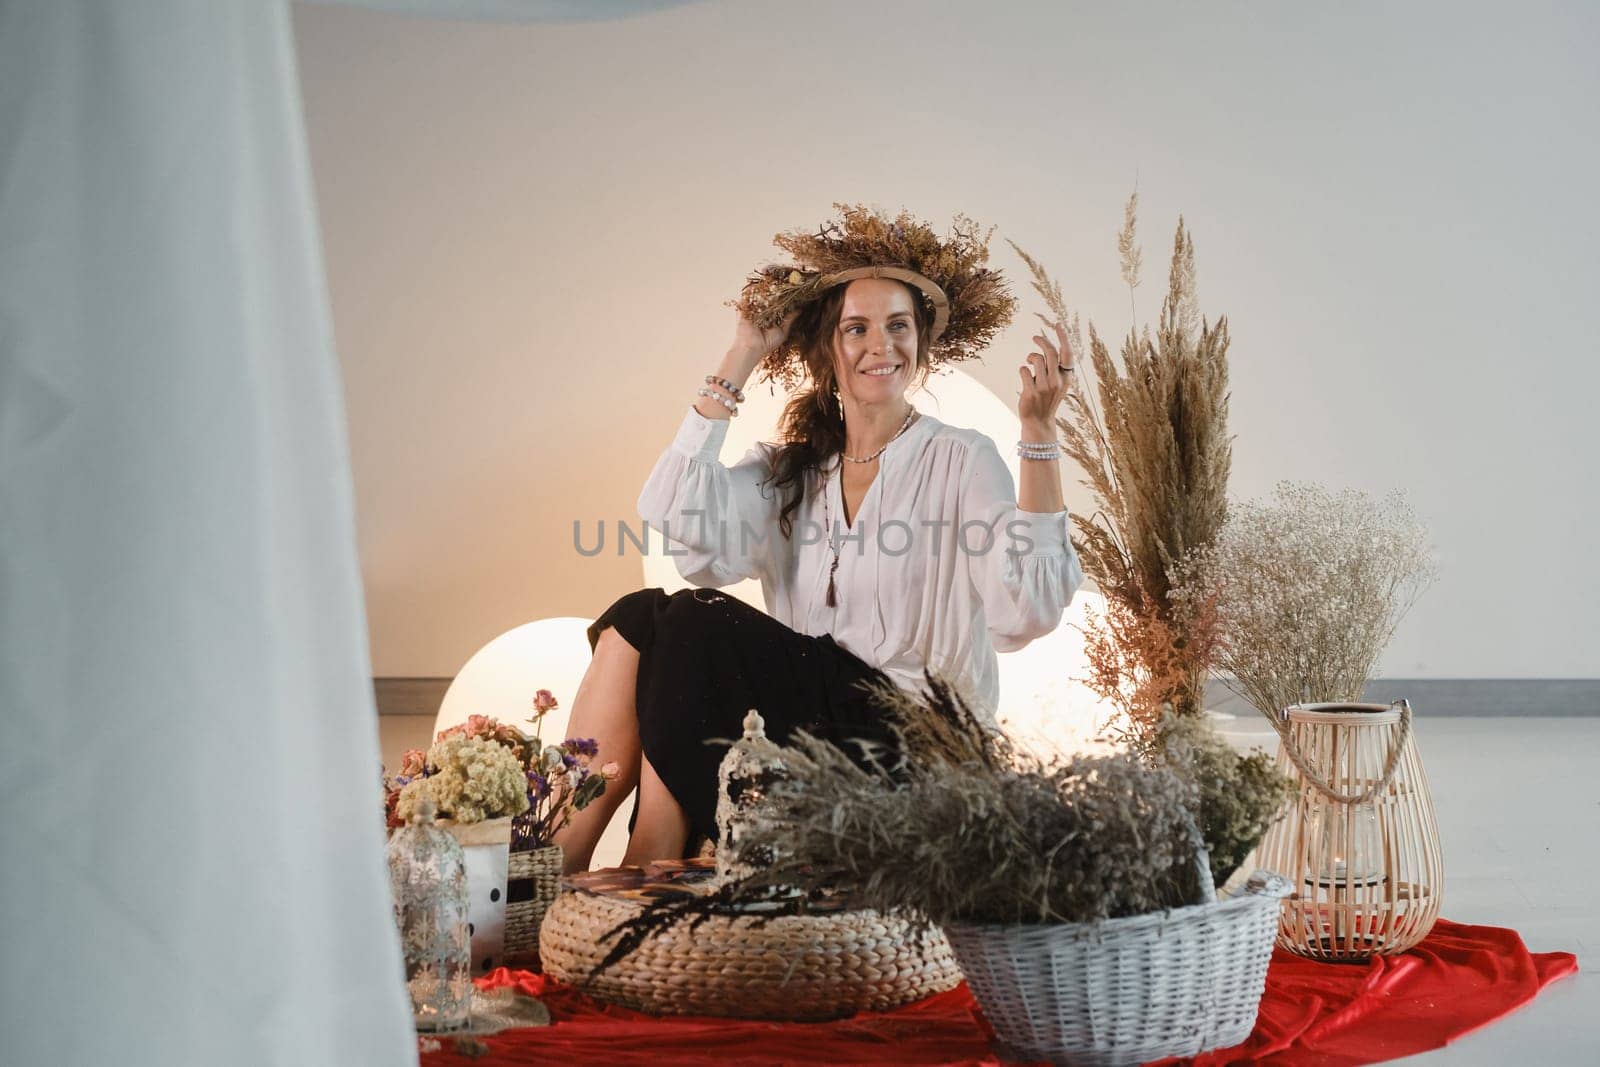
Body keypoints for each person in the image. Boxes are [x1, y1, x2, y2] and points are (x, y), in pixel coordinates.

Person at [553, 208, 1084, 873]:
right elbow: (677, 513)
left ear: (922, 343)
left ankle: (651, 850)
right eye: (856, 328)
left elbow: (1026, 606)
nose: (879, 346)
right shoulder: (795, 471)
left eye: (898, 326)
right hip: (807, 734)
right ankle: (552, 865)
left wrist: (1038, 432)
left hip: (917, 744)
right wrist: (744, 352)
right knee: (641, 615)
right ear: (828, 350)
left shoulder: (960, 459)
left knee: (694, 616)